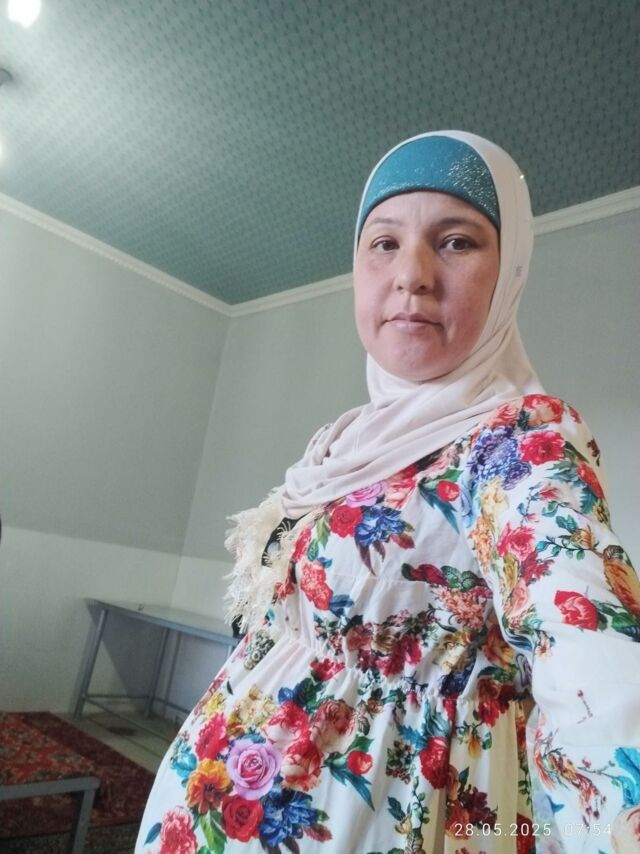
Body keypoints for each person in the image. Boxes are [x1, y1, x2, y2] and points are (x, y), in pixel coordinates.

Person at [136, 132, 640, 854]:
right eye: (384, 243)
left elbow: (593, 662)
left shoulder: (519, 443)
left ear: (509, 273)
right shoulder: (341, 444)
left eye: (456, 241)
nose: (413, 275)